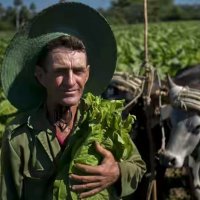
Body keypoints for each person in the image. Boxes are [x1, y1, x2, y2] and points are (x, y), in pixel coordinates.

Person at [0, 2, 146, 200]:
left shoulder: (104, 121)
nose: (70, 82)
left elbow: (137, 166)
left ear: (87, 74)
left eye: (78, 71)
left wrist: (117, 172)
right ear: (41, 76)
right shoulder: (19, 136)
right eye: (60, 72)